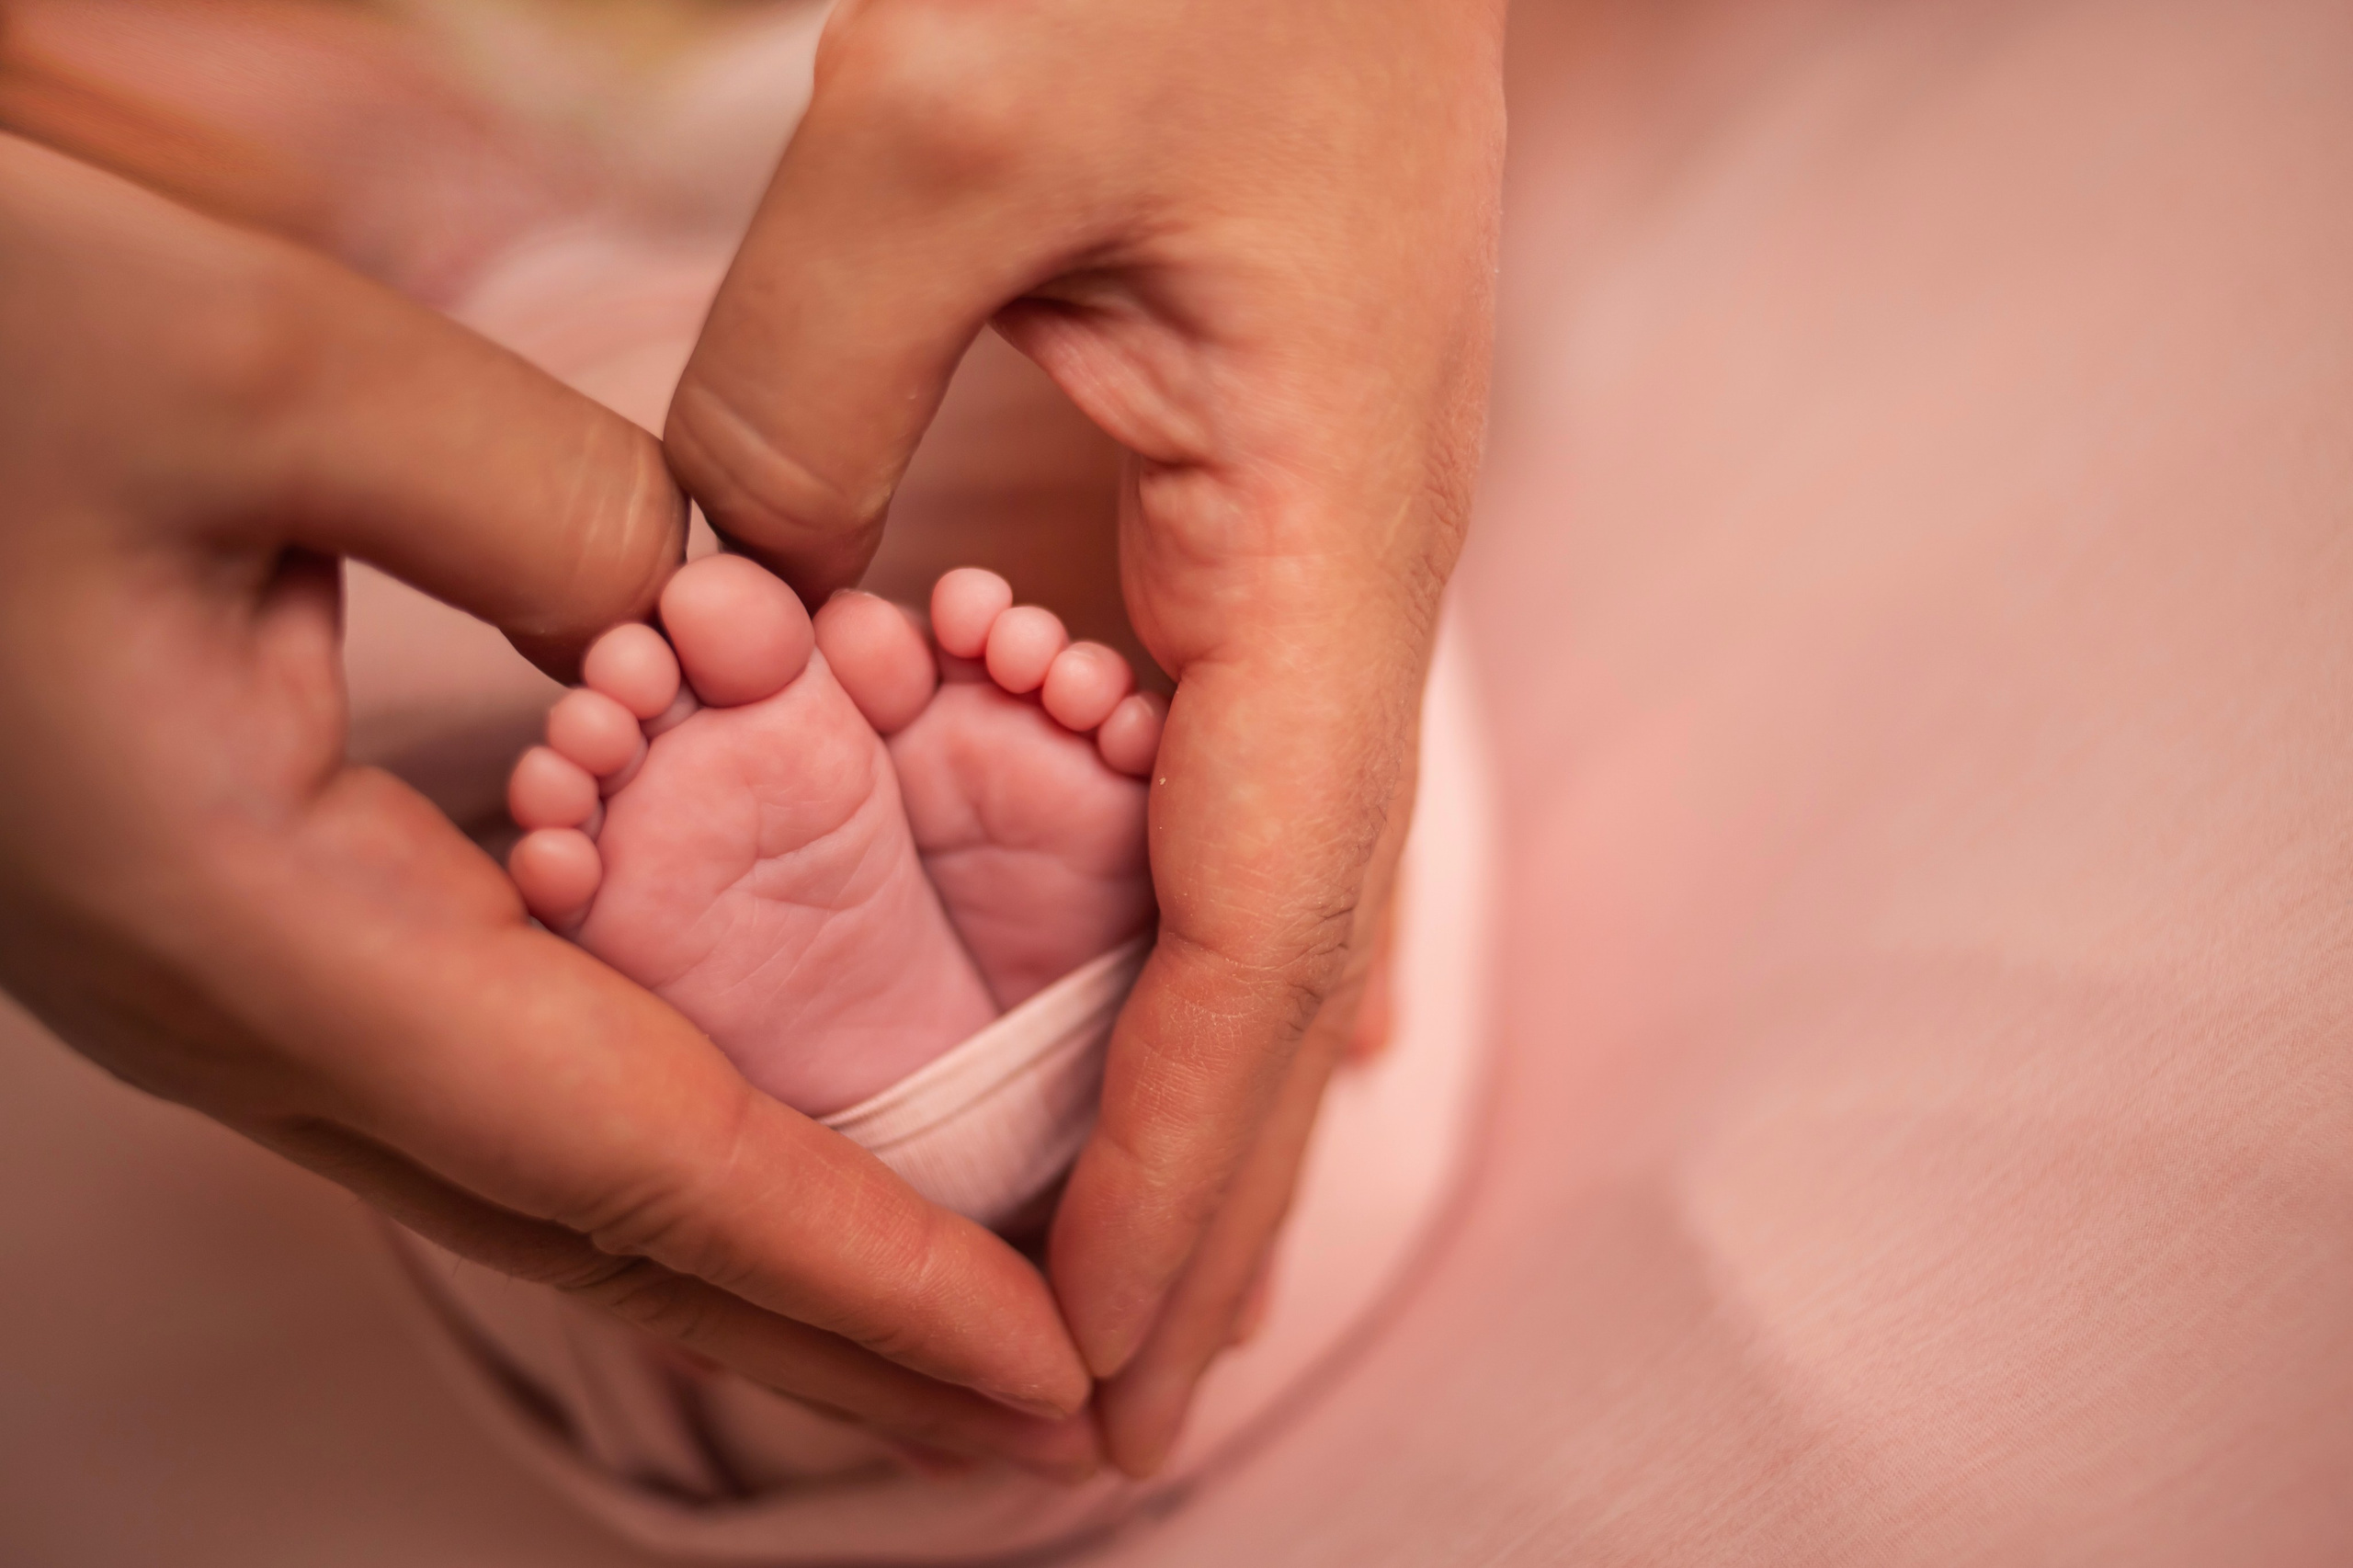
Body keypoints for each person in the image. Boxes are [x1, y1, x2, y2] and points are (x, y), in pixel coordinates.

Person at [0, 0, 1506, 1479]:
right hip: (469, 444)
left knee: (483, 923)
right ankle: (1007, 1062)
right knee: (1215, 631)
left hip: (549, 467)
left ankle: (899, 1128)